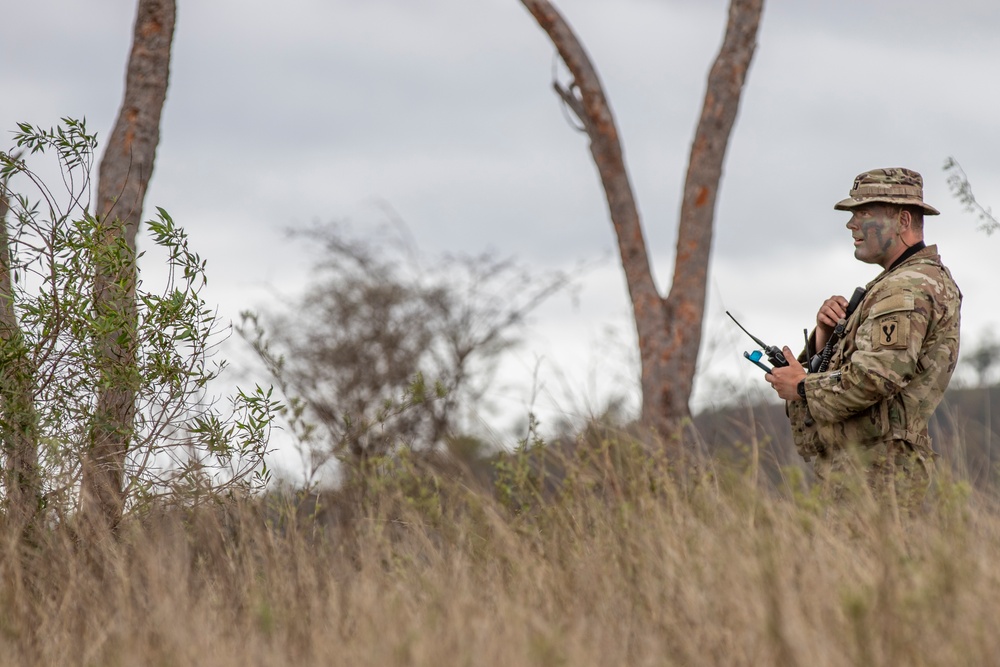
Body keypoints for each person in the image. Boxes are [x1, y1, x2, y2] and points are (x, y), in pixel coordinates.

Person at [766, 167, 962, 512]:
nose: (851, 224)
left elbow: (876, 377)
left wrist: (801, 387)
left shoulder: (907, 288)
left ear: (903, 220)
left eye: (864, 213)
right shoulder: (897, 283)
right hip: (866, 467)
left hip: (877, 471)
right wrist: (824, 337)